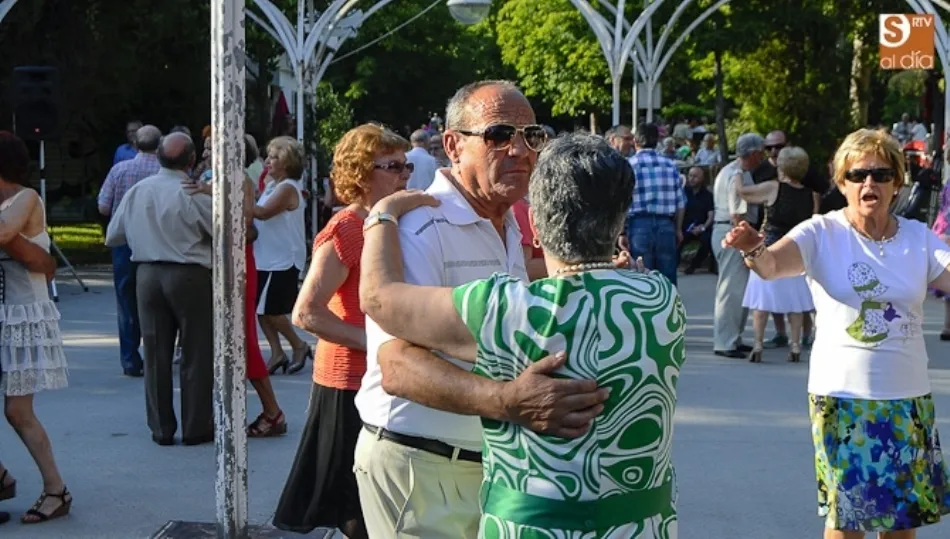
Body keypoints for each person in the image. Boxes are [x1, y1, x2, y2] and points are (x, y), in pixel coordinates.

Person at [360, 133, 684, 538]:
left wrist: (382, 215)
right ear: (620, 219)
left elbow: (379, 299)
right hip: (643, 526)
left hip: (532, 527)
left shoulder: (507, 308)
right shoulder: (660, 299)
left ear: (535, 221)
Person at [352, 80, 607, 539]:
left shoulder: (507, 219)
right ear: (453, 145)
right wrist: (508, 403)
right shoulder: (420, 226)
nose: (521, 150)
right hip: (422, 465)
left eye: (533, 135)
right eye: (498, 135)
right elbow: (397, 367)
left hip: (489, 463)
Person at [723, 128, 950, 538]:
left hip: (907, 400)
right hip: (843, 400)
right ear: (841, 182)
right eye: (858, 174)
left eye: (882, 174)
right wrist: (754, 247)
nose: (870, 183)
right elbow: (772, 266)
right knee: (848, 524)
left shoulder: (917, 237)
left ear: (897, 182)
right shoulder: (821, 232)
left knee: (901, 527)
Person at [273, 124, 410, 538]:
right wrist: (374, 343)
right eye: (394, 167)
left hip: (380, 375)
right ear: (362, 173)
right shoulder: (347, 228)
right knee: (356, 502)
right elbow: (307, 313)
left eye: (406, 166)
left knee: (375, 495)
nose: (406, 175)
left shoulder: (386, 220)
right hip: (347, 381)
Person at [106, 132, 215, 446]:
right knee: (196, 351)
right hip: (189, 273)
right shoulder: (193, 192)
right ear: (191, 160)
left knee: (155, 352)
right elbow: (220, 231)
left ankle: (160, 428)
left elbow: (114, 235)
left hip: (147, 274)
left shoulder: (139, 191)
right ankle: (195, 427)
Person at [184, 140, 286, 437]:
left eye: (210, 147)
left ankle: (273, 411)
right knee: (228, 340)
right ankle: (233, 411)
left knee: (243, 340)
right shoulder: (215, 179)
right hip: (224, 263)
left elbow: (243, 220)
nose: (205, 153)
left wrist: (209, 193)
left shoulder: (239, 180)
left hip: (239, 264)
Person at [0, 132, 72, 524]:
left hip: (24, 314)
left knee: (17, 411)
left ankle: (56, 489)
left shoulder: (26, 197)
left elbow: (5, 233)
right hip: (3, 311)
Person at [736, 146, 815, 363]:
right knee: (796, 305)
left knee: (761, 303)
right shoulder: (812, 195)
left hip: (769, 249)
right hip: (797, 252)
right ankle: (796, 345)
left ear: (782, 167)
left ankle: (758, 344)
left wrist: (736, 174)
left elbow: (744, 193)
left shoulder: (773, 188)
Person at [98, 125, 162, 377]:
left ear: (135, 144)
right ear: (159, 146)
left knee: (126, 301)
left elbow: (104, 207)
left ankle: (130, 359)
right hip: (157, 240)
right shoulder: (164, 172)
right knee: (157, 302)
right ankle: (157, 357)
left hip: (125, 241)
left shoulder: (120, 169)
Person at [254, 136, 311, 375]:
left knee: (272, 310)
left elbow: (264, 213)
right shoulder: (272, 185)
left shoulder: (288, 188)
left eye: (274, 157)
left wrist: (234, 197)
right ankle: (277, 352)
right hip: (267, 254)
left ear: (286, 163)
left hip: (283, 257)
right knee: (261, 309)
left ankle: (299, 345)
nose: (268, 161)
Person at [710, 133, 765, 358]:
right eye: (760, 152)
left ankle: (733, 337)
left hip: (724, 231)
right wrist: (745, 241)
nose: (762, 156)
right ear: (752, 154)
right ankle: (726, 341)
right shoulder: (737, 175)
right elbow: (737, 214)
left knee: (736, 288)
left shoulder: (730, 170)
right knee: (732, 290)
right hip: (732, 232)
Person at [622, 123, 685, 285]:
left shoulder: (629, 165)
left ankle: (645, 309)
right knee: (667, 277)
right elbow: (680, 202)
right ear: (657, 141)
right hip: (666, 224)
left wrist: (621, 232)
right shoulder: (670, 165)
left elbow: (622, 203)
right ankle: (670, 308)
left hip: (639, 225)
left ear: (636, 141)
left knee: (643, 278)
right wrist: (678, 229)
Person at [680, 166, 715, 275]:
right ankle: (673, 266)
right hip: (685, 227)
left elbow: (711, 215)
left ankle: (694, 266)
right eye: (690, 176)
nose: (692, 179)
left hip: (702, 227)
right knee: (676, 240)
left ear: (702, 178)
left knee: (708, 240)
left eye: (695, 176)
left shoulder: (707, 195)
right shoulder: (683, 192)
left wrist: (703, 227)